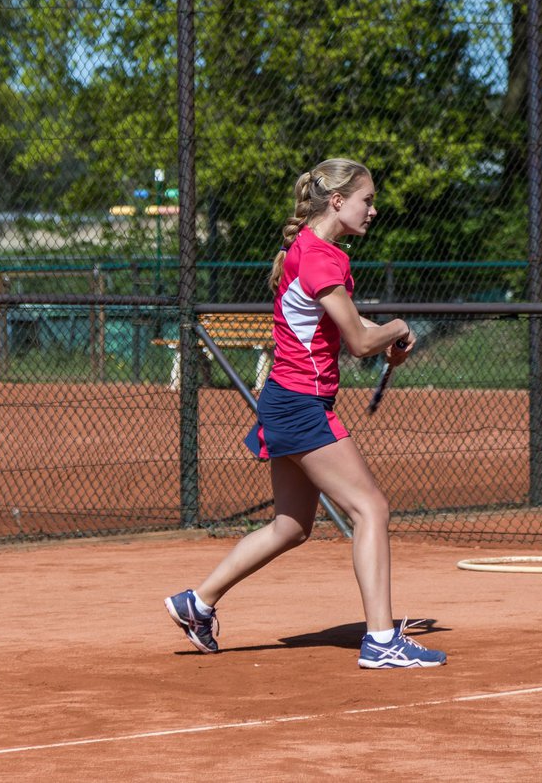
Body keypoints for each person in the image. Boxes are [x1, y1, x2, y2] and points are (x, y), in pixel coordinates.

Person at [165, 158, 447, 669]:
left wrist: (388, 335)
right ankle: (382, 642)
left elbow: (343, 321)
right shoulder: (323, 257)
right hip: (300, 404)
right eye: (367, 200)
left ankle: (197, 603)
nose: (374, 210)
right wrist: (397, 327)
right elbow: (360, 341)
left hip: (285, 399)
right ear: (338, 202)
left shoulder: (312, 252)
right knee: (372, 510)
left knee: (291, 526)